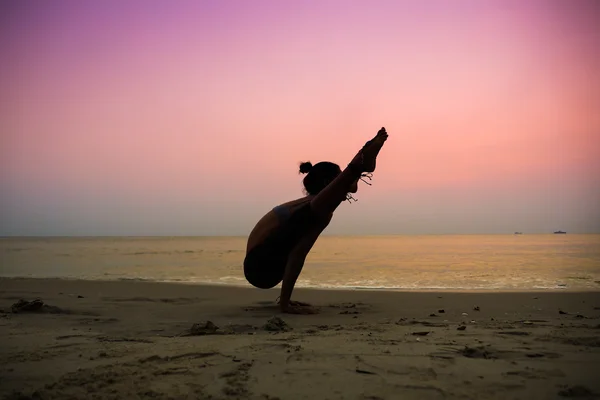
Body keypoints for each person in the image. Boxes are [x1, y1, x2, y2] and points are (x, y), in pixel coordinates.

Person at [243, 127, 389, 314]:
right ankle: (358, 162)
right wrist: (285, 304)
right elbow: (297, 255)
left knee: (326, 204)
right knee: (321, 208)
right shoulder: (312, 210)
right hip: (259, 267)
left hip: (263, 265)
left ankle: (359, 163)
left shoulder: (306, 207)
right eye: (338, 181)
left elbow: (350, 188)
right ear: (328, 183)